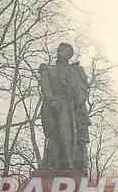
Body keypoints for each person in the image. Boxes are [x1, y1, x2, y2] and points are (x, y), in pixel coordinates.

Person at [39, 43, 91, 174]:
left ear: (69, 54)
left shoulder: (76, 71)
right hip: (53, 105)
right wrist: (52, 100)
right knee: (54, 135)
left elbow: (83, 89)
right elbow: (45, 86)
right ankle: (55, 163)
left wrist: (76, 99)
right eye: (59, 50)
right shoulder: (49, 69)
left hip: (69, 106)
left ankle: (69, 162)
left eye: (63, 51)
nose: (59, 53)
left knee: (67, 134)